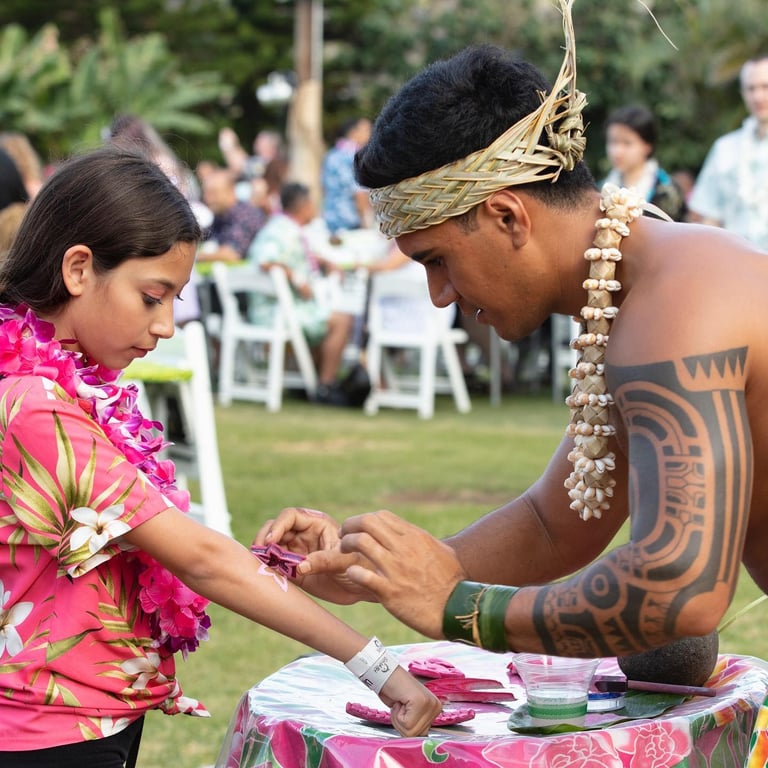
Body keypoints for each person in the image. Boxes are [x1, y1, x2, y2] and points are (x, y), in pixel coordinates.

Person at [255, 0, 768, 668]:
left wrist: (458, 607)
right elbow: (555, 525)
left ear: (508, 218)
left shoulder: (678, 305)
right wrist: (384, 572)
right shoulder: (632, 285)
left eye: (437, 260)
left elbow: (679, 591)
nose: (440, 295)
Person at [0, 146, 441, 766]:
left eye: (174, 301)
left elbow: (126, 543)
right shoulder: (33, 406)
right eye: (152, 297)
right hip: (48, 732)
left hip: (82, 716)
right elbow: (200, 559)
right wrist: (376, 667)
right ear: (78, 269)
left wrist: (277, 564)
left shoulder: (65, 391)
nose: (166, 325)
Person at [248, 182, 357, 406]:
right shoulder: (282, 231)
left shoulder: (284, 227)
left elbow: (292, 255)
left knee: (326, 313)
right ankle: (326, 386)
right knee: (342, 320)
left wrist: (322, 261)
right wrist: (297, 278)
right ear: (304, 206)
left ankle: (311, 381)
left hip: (280, 310)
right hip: (275, 313)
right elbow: (265, 260)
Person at [688, 53, 768, 250]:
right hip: (736, 261)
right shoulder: (725, 149)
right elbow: (708, 217)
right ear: (742, 93)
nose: (758, 96)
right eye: (751, 88)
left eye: (765, 87)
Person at [601, 104, 687, 222]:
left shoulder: (667, 191)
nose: (617, 152)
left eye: (627, 143)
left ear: (647, 146)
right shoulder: (602, 188)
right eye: (613, 141)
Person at [321, 117, 373, 235]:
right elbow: (359, 193)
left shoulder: (331, 155)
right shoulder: (354, 156)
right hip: (351, 224)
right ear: (353, 132)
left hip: (331, 222)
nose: (370, 134)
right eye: (366, 130)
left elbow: (324, 189)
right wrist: (366, 223)